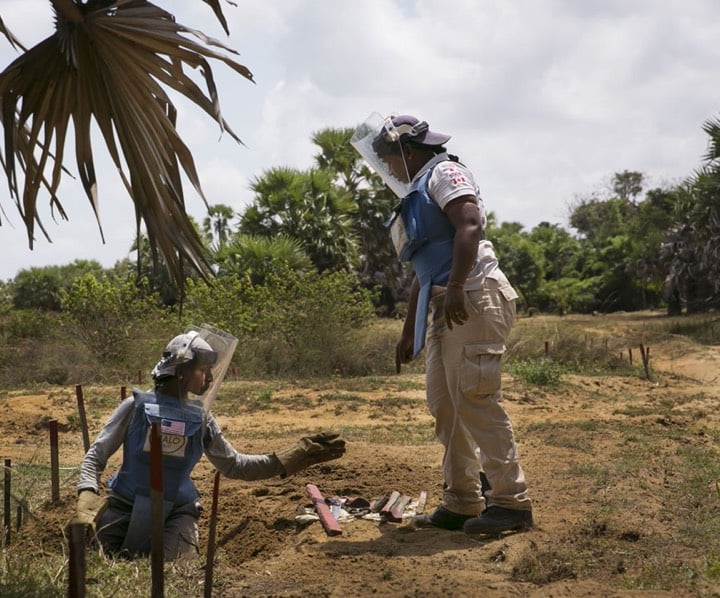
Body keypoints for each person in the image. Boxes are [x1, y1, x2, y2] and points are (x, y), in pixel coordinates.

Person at [351, 113, 533, 535]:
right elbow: (423, 269)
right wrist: (407, 328)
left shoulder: (444, 172)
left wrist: (454, 285)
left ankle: (511, 502)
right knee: (445, 406)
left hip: (471, 296)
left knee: (475, 398)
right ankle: (463, 500)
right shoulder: (417, 188)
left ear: (408, 151)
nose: (390, 170)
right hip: (445, 304)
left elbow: (469, 226)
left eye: (390, 161)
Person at [73, 326, 346, 561]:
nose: (209, 378)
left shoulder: (202, 420)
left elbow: (235, 466)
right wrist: (85, 503)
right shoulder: (134, 407)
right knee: (98, 564)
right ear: (181, 369)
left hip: (177, 514)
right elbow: (96, 455)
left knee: (173, 574)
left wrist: (293, 456)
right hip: (124, 506)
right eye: (203, 370)